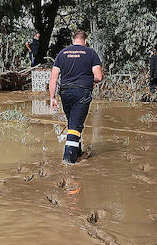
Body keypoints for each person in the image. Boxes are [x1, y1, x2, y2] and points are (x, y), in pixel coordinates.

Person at [49, 30, 104, 164]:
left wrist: (52, 97)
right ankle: (69, 161)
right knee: (74, 126)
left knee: (73, 122)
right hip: (82, 92)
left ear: (73, 40)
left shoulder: (62, 53)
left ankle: (78, 152)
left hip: (65, 92)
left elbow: (53, 77)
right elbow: (99, 77)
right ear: (85, 41)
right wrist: (89, 80)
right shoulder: (90, 53)